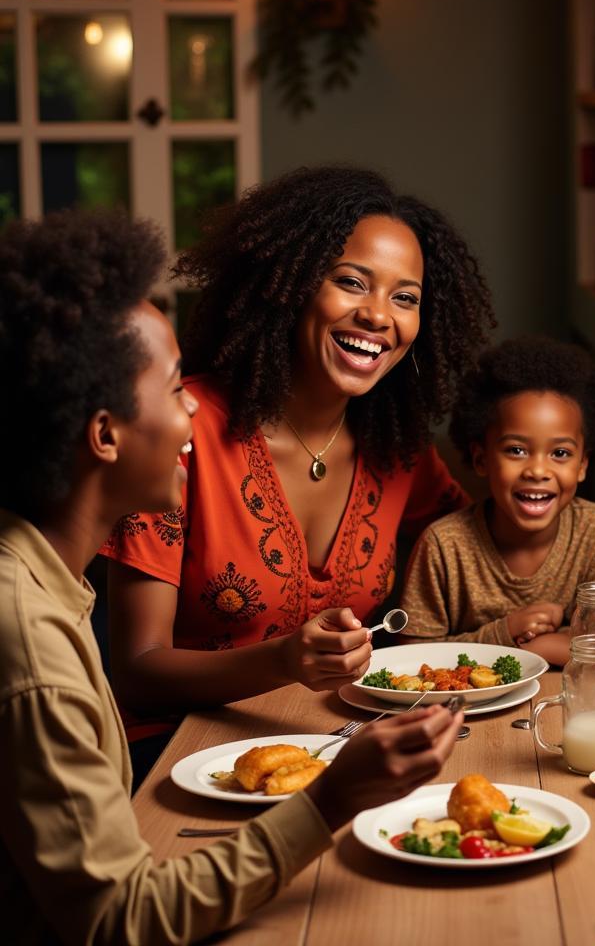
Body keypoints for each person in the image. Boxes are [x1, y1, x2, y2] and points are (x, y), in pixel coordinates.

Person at [0, 210, 462, 944]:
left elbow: (474, 533)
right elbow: (121, 916)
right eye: (176, 385)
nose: (192, 408)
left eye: (406, 296)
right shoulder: (33, 639)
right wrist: (334, 790)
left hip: (301, 754)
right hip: (186, 778)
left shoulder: (45, 579)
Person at [101, 167, 494, 769]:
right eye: (351, 282)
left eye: (405, 297)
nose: (378, 316)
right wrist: (282, 660)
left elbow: (485, 547)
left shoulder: (398, 447)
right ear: (287, 286)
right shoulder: (185, 429)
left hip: (337, 746)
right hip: (177, 752)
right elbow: (134, 670)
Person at [400, 336, 595, 666]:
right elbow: (413, 652)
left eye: (560, 453)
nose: (537, 470)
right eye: (516, 450)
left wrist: (537, 650)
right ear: (481, 459)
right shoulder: (443, 545)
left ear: (582, 465)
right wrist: (506, 634)